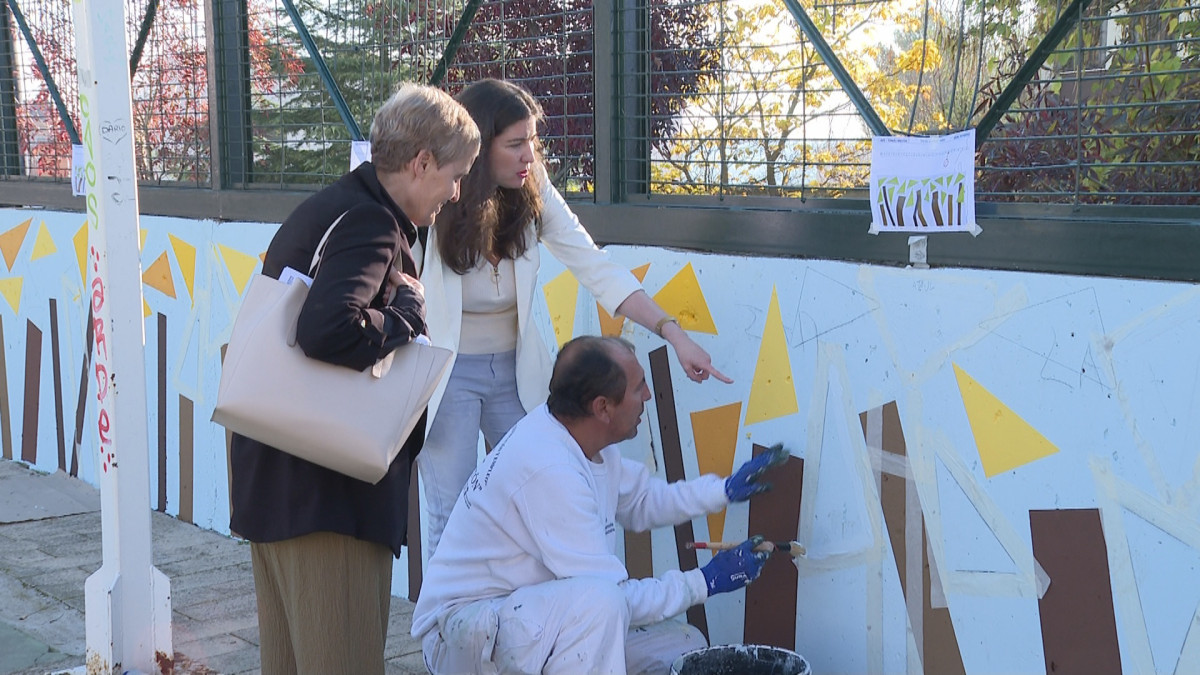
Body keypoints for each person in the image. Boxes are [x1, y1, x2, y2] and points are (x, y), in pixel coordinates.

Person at [418, 78, 733, 554]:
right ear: (480, 149)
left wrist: (674, 333)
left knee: (538, 497)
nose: (530, 156)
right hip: (446, 374)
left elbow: (595, 266)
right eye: (516, 143)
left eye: (533, 142)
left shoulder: (533, 188)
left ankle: (528, 625)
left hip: (514, 373)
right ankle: (445, 628)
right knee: (453, 514)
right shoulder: (438, 197)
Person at [228, 83, 480, 675]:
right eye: (454, 173)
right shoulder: (372, 222)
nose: (456, 191)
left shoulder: (333, 205)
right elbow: (327, 328)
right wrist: (402, 318)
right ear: (421, 164)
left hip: (280, 483)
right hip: (328, 499)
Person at [411, 335, 790, 674]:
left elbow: (641, 501)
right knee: (600, 603)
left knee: (683, 647)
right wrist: (702, 582)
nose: (646, 396)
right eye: (638, 387)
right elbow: (614, 599)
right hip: (461, 635)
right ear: (603, 408)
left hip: (523, 620)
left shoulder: (584, 442)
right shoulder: (549, 469)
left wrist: (722, 491)